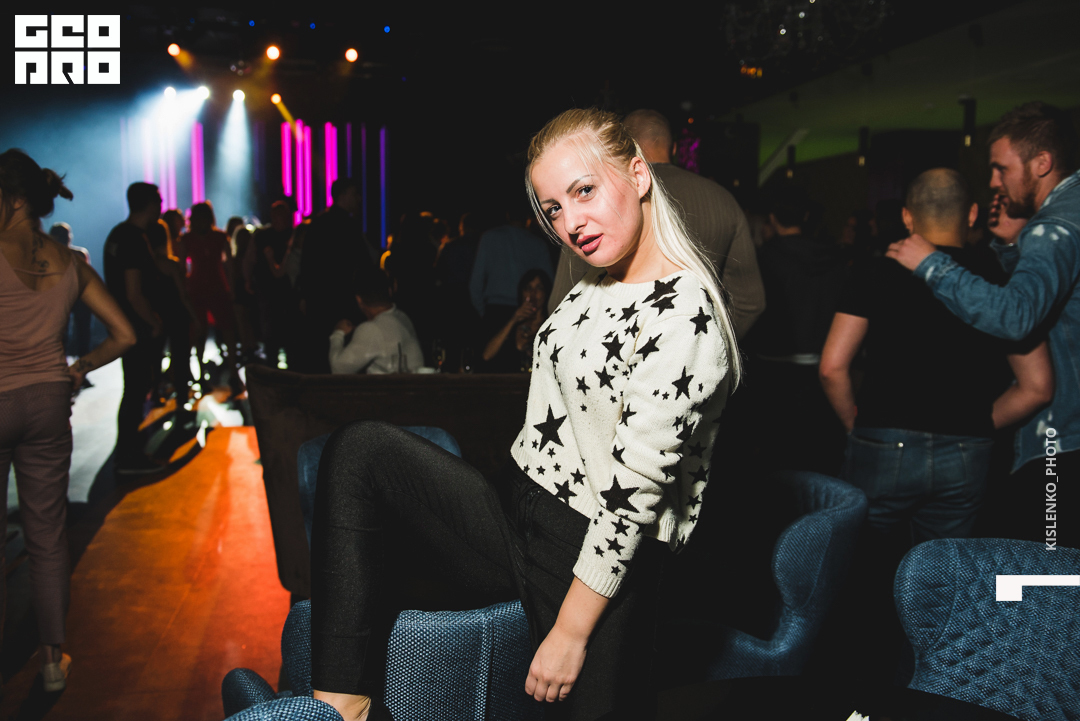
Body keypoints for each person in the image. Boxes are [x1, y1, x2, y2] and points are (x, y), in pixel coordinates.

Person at [309, 108, 739, 721]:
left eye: (584, 191)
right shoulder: (594, 278)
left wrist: (569, 633)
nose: (571, 223)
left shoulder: (684, 315)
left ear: (640, 174)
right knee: (360, 451)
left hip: (597, 559)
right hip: (519, 512)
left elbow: (631, 503)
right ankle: (342, 707)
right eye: (554, 208)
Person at [820, 168, 1054, 542]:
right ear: (972, 214)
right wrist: (973, 423)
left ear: (907, 217)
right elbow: (1037, 387)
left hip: (883, 440)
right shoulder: (999, 281)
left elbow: (832, 367)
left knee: (865, 560)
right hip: (967, 450)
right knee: (942, 567)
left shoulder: (875, 271)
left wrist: (857, 426)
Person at [887, 102, 1080, 548]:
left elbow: (1016, 316)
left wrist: (932, 264)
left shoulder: (1055, 227)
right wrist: (1012, 247)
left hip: (1063, 438)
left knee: (1045, 565)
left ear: (1042, 163)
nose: (994, 181)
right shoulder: (1063, 216)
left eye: (1001, 168)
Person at [0, 149, 135, 690]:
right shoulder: (70, 261)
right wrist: (79, 368)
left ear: (13, 199)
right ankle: (52, 661)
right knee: (48, 535)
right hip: (50, 405)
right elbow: (124, 334)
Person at [548, 108, 766, 341]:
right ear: (674, 149)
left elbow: (561, 304)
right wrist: (706, 340)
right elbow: (750, 302)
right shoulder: (722, 199)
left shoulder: (590, 212)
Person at [104, 182, 166, 474]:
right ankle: (129, 457)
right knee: (136, 390)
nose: (161, 206)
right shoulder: (134, 238)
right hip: (137, 327)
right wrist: (153, 322)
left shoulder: (117, 234)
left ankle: (127, 453)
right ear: (150, 204)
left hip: (124, 324)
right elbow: (134, 292)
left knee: (133, 389)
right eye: (159, 201)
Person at [174, 201, 237, 385]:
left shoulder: (215, 237)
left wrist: (232, 289)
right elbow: (182, 269)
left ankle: (226, 372)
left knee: (222, 331)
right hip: (202, 288)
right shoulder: (196, 238)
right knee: (201, 331)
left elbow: (230, 267)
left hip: (212, 287)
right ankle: (205, 373)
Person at [469, 205, 555, 323]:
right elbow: (548, 283)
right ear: (528, 217)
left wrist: (483, 312)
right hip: (527, 308)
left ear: (507, 215)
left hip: (496, 309)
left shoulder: (489, 237)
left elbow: (476, 282)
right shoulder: (538, 243)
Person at [328, 270, 424, 375]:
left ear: (359, 299)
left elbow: (338, 369)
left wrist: (338, 333)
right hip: (412, 383)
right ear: (390, 291)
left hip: (394, 385)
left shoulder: (372, 329)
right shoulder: (402, 317)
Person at [481, 268, 551, 372]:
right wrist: (513, 320)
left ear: (546, 293)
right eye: (528, 288)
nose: (533, 293)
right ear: (521, 293)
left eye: (539, 288)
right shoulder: (509, 321)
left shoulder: (551, 326)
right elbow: (486, 356)